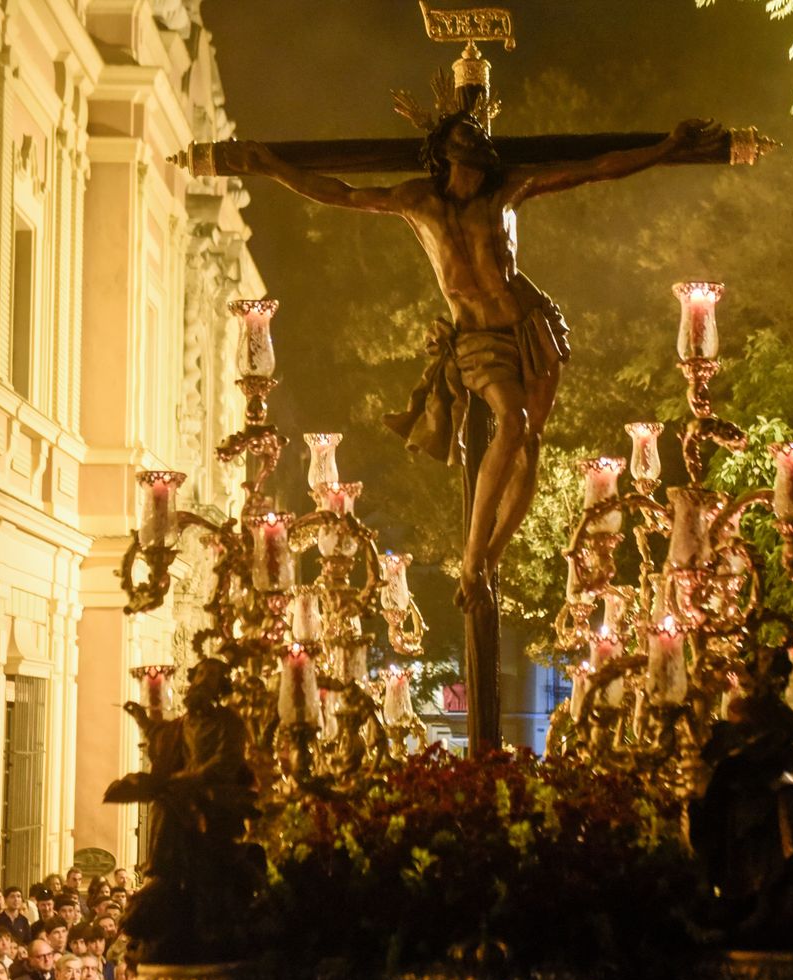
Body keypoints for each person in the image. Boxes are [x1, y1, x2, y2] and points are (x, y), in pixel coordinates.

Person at [225, 111, 731, 608]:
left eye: (480, 136)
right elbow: (340, 192)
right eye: (467, 135)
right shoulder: (416, 201)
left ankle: (491, 557)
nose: (478, 143)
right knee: (513, 421)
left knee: (529, 443)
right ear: (444, 149)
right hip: (477, 338)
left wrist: (666, 148)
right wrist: (270, 166)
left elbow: (594, 168)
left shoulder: (506, 191)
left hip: (532, 325)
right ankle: (473, 557)